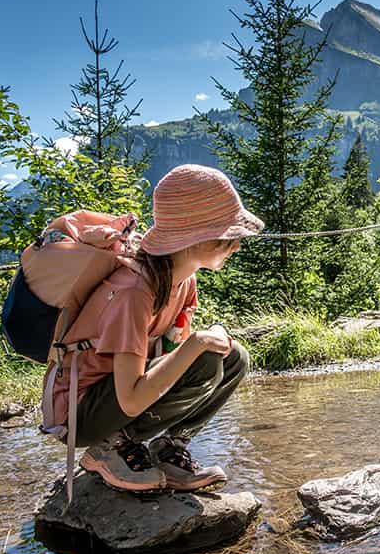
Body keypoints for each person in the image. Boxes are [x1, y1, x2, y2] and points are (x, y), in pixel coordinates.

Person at [48, 164, 264, 492]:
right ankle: (109, 449)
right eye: (227, 235)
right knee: (203, 356)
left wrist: (197, 343)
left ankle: (169, 448)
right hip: (81, 415)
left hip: (114, 395)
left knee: (234, 357)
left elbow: (171, 350)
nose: (235, 245)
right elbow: (132, 400)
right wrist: (197, 344)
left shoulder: (183, 280)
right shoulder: (134, 292)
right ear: (193, 238)